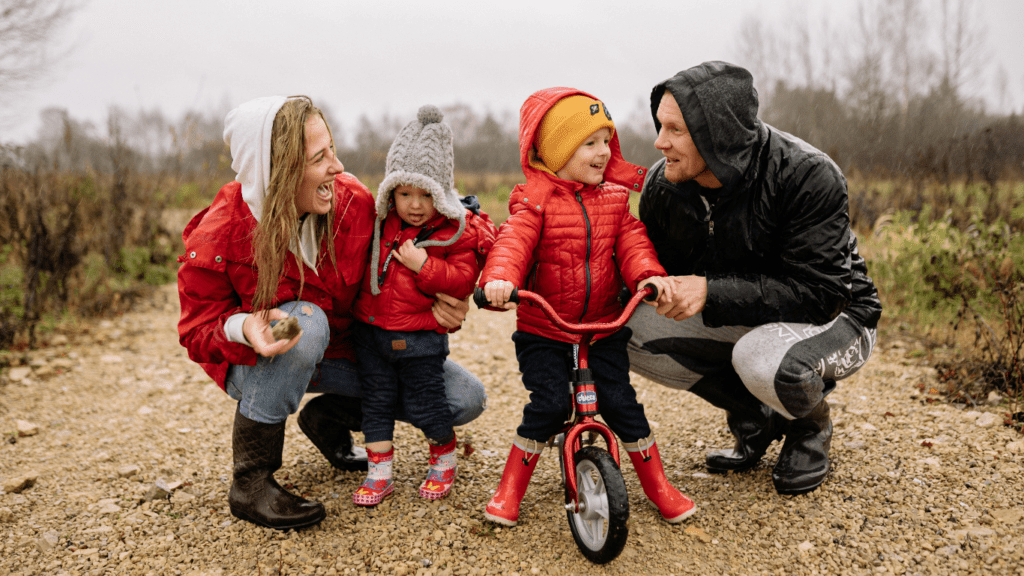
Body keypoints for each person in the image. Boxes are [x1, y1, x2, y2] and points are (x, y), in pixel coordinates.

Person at [177, 96, 488, 531]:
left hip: (342, 351)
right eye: (319, 157)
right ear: (277, 170)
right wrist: (243, 326)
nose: (338, 167)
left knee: (463, 399)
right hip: (260, 360)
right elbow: (196, 330)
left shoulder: (354, 203)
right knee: (305, 320)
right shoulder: (221, 232)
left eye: (333, 150)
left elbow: (442, 225)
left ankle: (329, 418)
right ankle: (251, 481)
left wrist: (448, 295)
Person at [626, 62, 883, 495]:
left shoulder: (807, 174)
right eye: (660, 126)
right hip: (748, 312)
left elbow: (822, 294)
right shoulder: (663, 185)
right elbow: (647, 269)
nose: (659, 142)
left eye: (675, 130)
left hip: (841, 316)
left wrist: (710, 291)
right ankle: (756, 417)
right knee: (620, 326)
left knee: (761, 358)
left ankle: (808, 430)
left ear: (716, 135)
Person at [479, 88, 696, 526]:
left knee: (621, 404)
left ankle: (659, 486)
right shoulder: (534, 201)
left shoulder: (615, 201)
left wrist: (647, 275)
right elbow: (512, 243)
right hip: (545, 330)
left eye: (607, 141)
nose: (603, 152)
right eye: (590, 143)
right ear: (557, 151)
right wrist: (500, 280)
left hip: (602, 328)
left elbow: (632, 242)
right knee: (549, 405)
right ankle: (509, 491)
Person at [351, 106, 489, 506]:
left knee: (425, 402)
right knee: (375, 403)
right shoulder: (381, 223)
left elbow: (463, 279)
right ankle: (379, 472)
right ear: (390, 192)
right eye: (404, 193)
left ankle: (443, 456)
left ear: (442, 192)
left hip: (420, 337)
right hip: (371, 331)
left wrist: (424, 265)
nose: (414, 204)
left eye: (426, 194)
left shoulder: (453, 232)